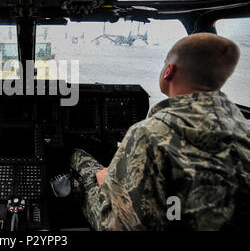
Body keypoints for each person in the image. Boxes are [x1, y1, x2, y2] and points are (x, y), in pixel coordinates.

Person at [71, 32, 250, 230]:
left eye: (165, 63)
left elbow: (113, 226)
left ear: (169, 71)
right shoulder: (244, 128)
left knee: (79, 158)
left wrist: (98, 185)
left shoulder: (149, 134)